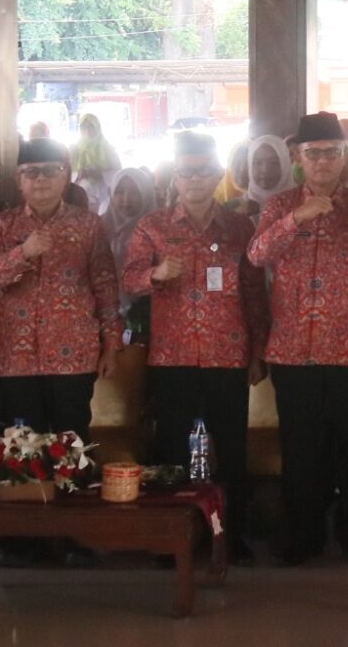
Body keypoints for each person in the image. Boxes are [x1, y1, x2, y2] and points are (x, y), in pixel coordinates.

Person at [250, 113, 348, 566]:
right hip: (294, 349)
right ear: (298, 157)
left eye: (331, 153)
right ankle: (302, 536)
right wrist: (298, 217)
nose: (322, 162)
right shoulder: (279, 206)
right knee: (301, 450)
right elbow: (258, 255)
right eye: (313, 153)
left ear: (344, 157)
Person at [125, 131, 267, 560]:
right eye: (186, 173)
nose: (195, 181)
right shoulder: (153, 227)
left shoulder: (240, 227)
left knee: (230, 452)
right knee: (174, 449)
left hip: (228, 355)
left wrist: (259, 351)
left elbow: (255, 294)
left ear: (218, 174)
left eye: (204, 172)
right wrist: (155, 275)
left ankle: (230, 536)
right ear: (175, 177)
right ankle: (177, 538)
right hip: (173, 357)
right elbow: (127, 281)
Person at [0, 138, 121, 438]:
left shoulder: (88, 226)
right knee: (25, 452)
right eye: (31, 172)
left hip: (74, 357)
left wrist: (111, 346)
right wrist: (22, 254)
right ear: (19, 180)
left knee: (73, 445)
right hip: (17, 360)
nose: (40, 179)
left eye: (50, 171)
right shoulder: (1, 226)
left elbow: (106, 289)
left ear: (66, 175)